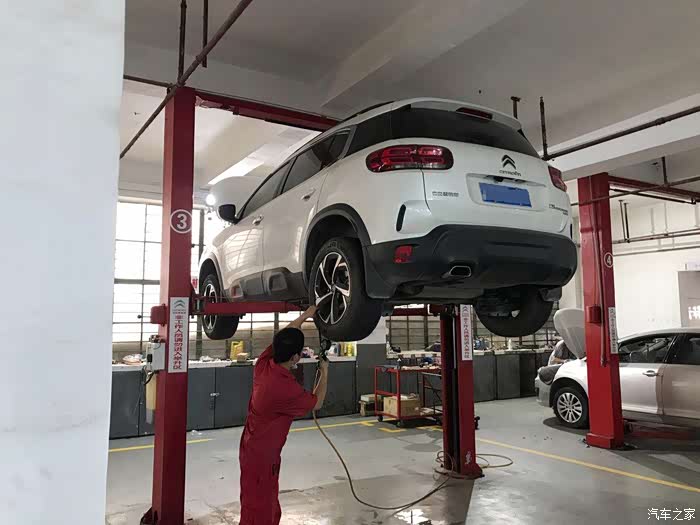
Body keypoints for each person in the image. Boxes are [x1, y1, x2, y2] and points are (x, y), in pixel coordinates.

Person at [238, 305, 329, 525]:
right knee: (260, 510)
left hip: (252, 449)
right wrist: (325, 371)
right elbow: (317, 403)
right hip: (263, 458)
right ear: (296, 357)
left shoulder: (263, 364)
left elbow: (283, 336)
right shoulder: (285, 388)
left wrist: (305, 316)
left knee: (263, 503)